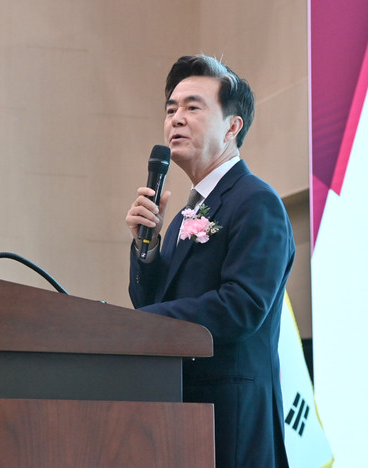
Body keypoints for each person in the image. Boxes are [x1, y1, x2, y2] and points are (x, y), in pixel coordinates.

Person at [125, 55, 294, 467]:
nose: (176, 119)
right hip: (181, 410)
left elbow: (242, 306)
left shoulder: (255, 200)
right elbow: (151, 303)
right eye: (171, 109)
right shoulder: (186, 214)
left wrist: (138, 324)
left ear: (232, 127)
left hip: (232, 417)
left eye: (192, 107)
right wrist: (147, 246)